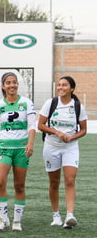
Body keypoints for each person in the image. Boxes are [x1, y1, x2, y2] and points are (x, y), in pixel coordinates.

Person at [0, 72, 36, 231]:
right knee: (0, 182)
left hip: (21, 149)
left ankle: (17, 222)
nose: (12, 85)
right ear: (3, 86)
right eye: (8, 83)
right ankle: (3, 219)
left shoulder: (26, 103)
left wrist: (30, 144)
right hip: (3, 149)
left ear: (17, 85)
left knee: (19, 185)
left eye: (14, 82)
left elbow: (32, 126)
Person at [37, 76, 87, 229]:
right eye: (59, 85)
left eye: (64, 85)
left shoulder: (77, 106)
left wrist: (71, 137)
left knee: (70, 180)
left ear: (72, 88)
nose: (60, 88)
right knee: (54, 182)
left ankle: (70, 215)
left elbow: (84, 129)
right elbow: (40, 125)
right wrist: (57, 133)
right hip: (51, 146)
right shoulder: (50, 103)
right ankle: (56, 215)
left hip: (70, 147)